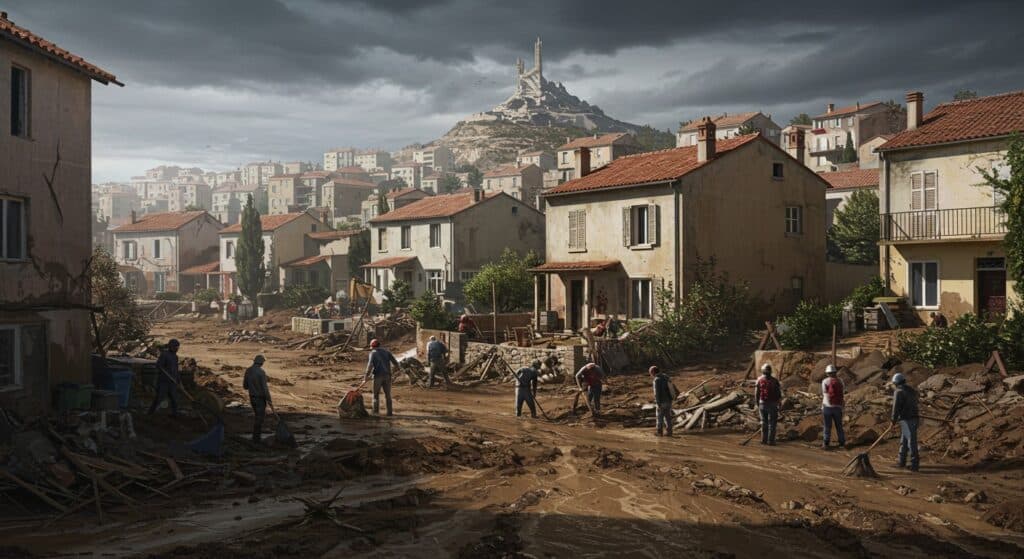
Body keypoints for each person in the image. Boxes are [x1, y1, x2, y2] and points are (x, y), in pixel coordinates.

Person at [360, 339, 400, 416]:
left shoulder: (373, 353)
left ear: (372, 346)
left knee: (375, 395)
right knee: (388, 395)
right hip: (387, 376)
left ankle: (375, 412)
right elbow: (395, 362)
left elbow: (369, 366)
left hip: (377, 376)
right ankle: (389, 412)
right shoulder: (386, 352)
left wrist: (365, 377)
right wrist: (394, 371)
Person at [891, 373, 920, 471]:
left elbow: (895, 408)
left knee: (911, 442)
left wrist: (893, 421)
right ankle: (901, 461)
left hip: (907, 419)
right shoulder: (911, 390)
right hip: (914, 418)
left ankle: (914, 465)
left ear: (895, 383)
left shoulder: (898, 391)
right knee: (904, 441)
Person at [243, 355, 272, 443]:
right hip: (260, 398)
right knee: (259, 418)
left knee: (257, 417)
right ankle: (256, 439)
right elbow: (265, 388)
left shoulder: (248, 370)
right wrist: (269, 399)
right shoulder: (261, 372)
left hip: (252, 397)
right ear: (262, 363)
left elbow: (245, 386)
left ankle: (256, 437)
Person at [148, 339, 181, 416]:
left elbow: (176, 369)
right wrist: (167, 374)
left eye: (178, 347)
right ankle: (150, 413)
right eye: (175, 347)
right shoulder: (164, 355)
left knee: (174, 399)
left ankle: (175, 414)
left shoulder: (175, 357)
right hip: (163, 381)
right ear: (170, 347)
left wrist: (178, 380)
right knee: (159, 398)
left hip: (172, 382)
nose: (177, 348)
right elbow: (159, 366)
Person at [754, 363, 782, 445]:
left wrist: (757, 404)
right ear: (770, 371)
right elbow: (778, 393)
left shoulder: (759, 380)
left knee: (763, 422)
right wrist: (779, 403)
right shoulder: (775, 380)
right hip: (773, 405)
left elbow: (756, 394)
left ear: (763, 371)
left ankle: (763, 440)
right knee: (772, 424)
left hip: (762, 404)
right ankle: (771, 441)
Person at [821, 364, 846, 449]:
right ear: (835, 372)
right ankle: (842, 443)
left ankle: (826, 443)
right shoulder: (840, 381)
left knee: (827, 426)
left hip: (827, 406)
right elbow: (843, 392)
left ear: (827, 373)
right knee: (839, 426)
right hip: (838, 407)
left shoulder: (825, 381)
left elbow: (824, 392)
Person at [651, 366, 674, 437]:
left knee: (659, 417)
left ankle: (659, 432)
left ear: (653, 372)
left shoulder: (656, 380)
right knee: (668, 417)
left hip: (662, 402)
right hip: (669, 400)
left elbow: (656, 393)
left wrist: (658, 403)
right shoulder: (666, 377)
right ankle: (669, 432)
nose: (650, 374)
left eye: (650, 373)